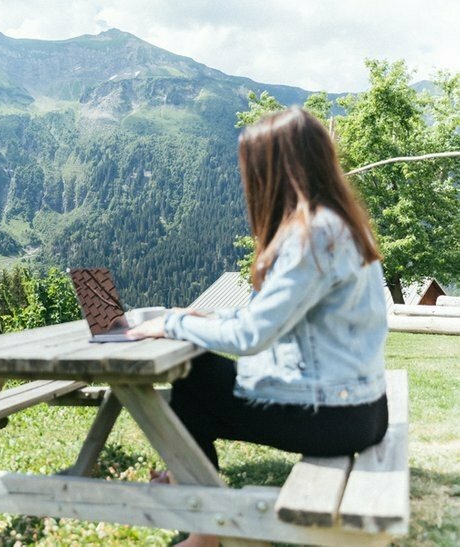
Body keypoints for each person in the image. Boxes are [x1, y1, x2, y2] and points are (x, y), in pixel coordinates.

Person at [127, 107, 389, 547]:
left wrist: (171, 324)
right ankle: (199, 515)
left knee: (195, 382)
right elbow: (266, 316)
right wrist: (199, 320)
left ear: (275, 168)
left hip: (338, 416)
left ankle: (203, 531)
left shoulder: (313, 235)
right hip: (360, 407)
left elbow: (251, 337)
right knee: (199, 379)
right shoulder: (338, 222)